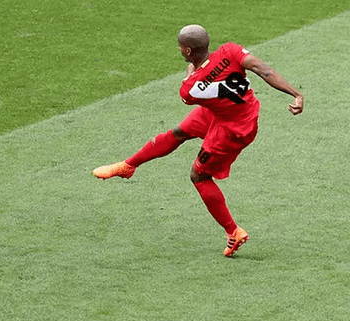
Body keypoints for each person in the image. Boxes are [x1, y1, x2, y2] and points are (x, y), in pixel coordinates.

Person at [93, 25, 304, 257]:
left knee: (199, 176)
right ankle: (128, 166)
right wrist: (296, 93)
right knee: (179, 132)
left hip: (233, 129)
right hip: (232, 110)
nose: (180, 51)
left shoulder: (190, 89)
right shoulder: (231, 51)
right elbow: (263, 70)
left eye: (181, 48)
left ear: (189, 51)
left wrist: (193, 68)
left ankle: (233, 231)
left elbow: (191, 79)